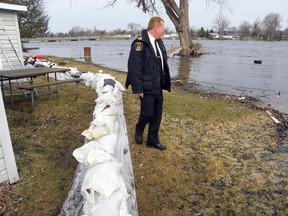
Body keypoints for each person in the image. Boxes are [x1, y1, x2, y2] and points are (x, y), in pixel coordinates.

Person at [125, 16, 171, 151]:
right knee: (147, 114)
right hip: (146, 87)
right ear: (156, 28)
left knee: (157, 115)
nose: (164, 30)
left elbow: (162, 64)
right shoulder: (139, 44)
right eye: (162, 27)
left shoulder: (160, 43)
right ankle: (139, 129)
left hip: (158, 86)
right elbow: (134, 67)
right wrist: (138, 88)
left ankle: (152, 140)